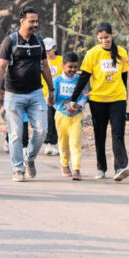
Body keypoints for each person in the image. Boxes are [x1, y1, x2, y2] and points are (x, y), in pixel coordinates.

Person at [0, 7, 55, 182]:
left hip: (36, 93)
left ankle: (29, 157)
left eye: (37, 21)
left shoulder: (39, 41)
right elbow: (1, 68)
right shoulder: (10, 41)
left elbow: (45, 66)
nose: (35, 24)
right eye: (32, 21)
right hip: (14, 94)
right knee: (16, 134)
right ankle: (18, 169)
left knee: (42, 130)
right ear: (22, 21)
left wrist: (51, 89)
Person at [67, 22, 129, 181]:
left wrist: (125, 96)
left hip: (117, 99)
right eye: (101, 38)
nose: (104, 41)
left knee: (118, 132)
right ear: (97, 38)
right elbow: (83, 78)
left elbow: (124, 78)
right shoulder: (92, 54)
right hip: (98, 100)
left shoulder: (122, 53)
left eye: (106, 37)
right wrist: (73, 99)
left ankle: (120, 167)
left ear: (112, 34)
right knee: (99, 134)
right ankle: (101, 168)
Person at [51, 52, 88, 180]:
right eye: (70, 67)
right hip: (61, 115)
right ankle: (65, 164)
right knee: (63, 142)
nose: (72, 70)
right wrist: (50, 99)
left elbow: (84, 95)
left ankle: (76, 168)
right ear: (63, 66)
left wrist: (78, 106)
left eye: (75, 67)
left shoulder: (80, 80)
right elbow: (52, 98)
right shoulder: (57, 81)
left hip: (77, 116)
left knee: (75, 142)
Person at [40, 37, 62, 156]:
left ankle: (55, 143)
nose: (47, 52)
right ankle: (48, 143)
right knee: (49, 120)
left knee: (58, 120)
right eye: (45, 50)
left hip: (60, 96)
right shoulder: (41, 61)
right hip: (45, 96)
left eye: (49, 50)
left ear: (55, 48)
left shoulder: (61, 61)